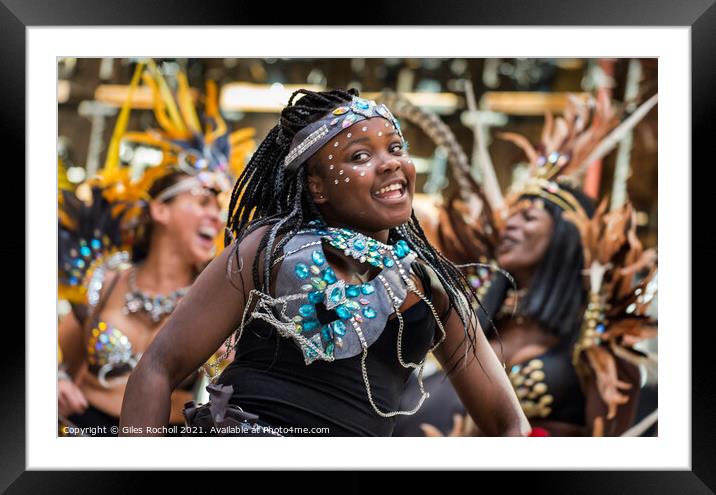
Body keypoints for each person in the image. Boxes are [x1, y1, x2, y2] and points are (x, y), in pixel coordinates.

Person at [120, 88, 531, 437]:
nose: (389, 162)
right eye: (359, 156)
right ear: (316, 187)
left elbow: (508, 422)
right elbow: (157, 368)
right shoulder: (267, 249)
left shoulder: (433, 284)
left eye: (395, 148)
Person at [398, 93, 657, 437]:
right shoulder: (475, 318)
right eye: (510, 218)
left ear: (567, 236)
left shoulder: (597, 339)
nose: (510, 226)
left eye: (528, 218)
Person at [58, 61, 249, 435]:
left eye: (219, 204)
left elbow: (227, 388)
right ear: (160, 210)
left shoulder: (219, 299)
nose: (216, 215)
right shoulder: (104, 280)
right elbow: (56, 362)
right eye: (203, 200)